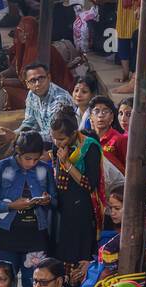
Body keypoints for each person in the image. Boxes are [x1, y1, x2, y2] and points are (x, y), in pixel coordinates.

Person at [0, 131, 57, 287]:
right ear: (17, 151)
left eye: (36, 159)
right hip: (6, 235)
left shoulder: (45, 170)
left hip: (36, 236)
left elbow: (55, 201)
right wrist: (10, 206)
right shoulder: (0, 169)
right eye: (27, 159)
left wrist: (48, 200)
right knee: (4, 285)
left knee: (35, 284)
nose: (32, 163)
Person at [50, 108, 104, 276]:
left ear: (74, 133)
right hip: (62, 208)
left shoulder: (89, 148)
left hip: (81, 209)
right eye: (54, 138)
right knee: (59, 250)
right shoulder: (58, 146)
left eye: (62, 138)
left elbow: (89, 184)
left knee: (77, 251)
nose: (57, 142)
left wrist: (67, 163)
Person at [0, 62, 75, 153]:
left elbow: (52, 135)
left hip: (64, 144)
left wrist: (16, 136)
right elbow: (29, 123)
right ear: (27, 84)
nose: (37, 84)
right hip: (46, 140)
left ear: (49, 78)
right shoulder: (32, 95)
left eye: (41, 78)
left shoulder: (59, 100)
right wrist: (14, 134)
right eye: (33, 80)